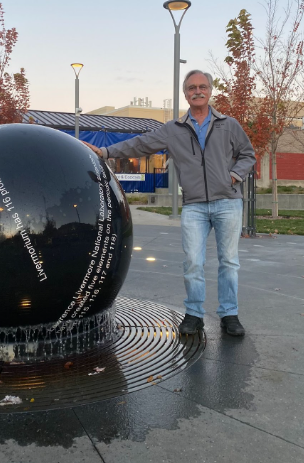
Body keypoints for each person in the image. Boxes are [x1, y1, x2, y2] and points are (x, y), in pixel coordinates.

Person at [83, 69, 256, 337]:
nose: (197, 91)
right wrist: (106, 151)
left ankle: (229, 314)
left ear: (210, 91)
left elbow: (248, 155)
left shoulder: (228, 124)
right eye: (191, 88)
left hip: (228, 203)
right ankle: (194, 314)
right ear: (185, 93)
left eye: (202, 87)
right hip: (195, 206)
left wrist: (234, 176)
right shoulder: (173, 129)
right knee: (193, 262)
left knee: (229, 262)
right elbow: (140, 145)